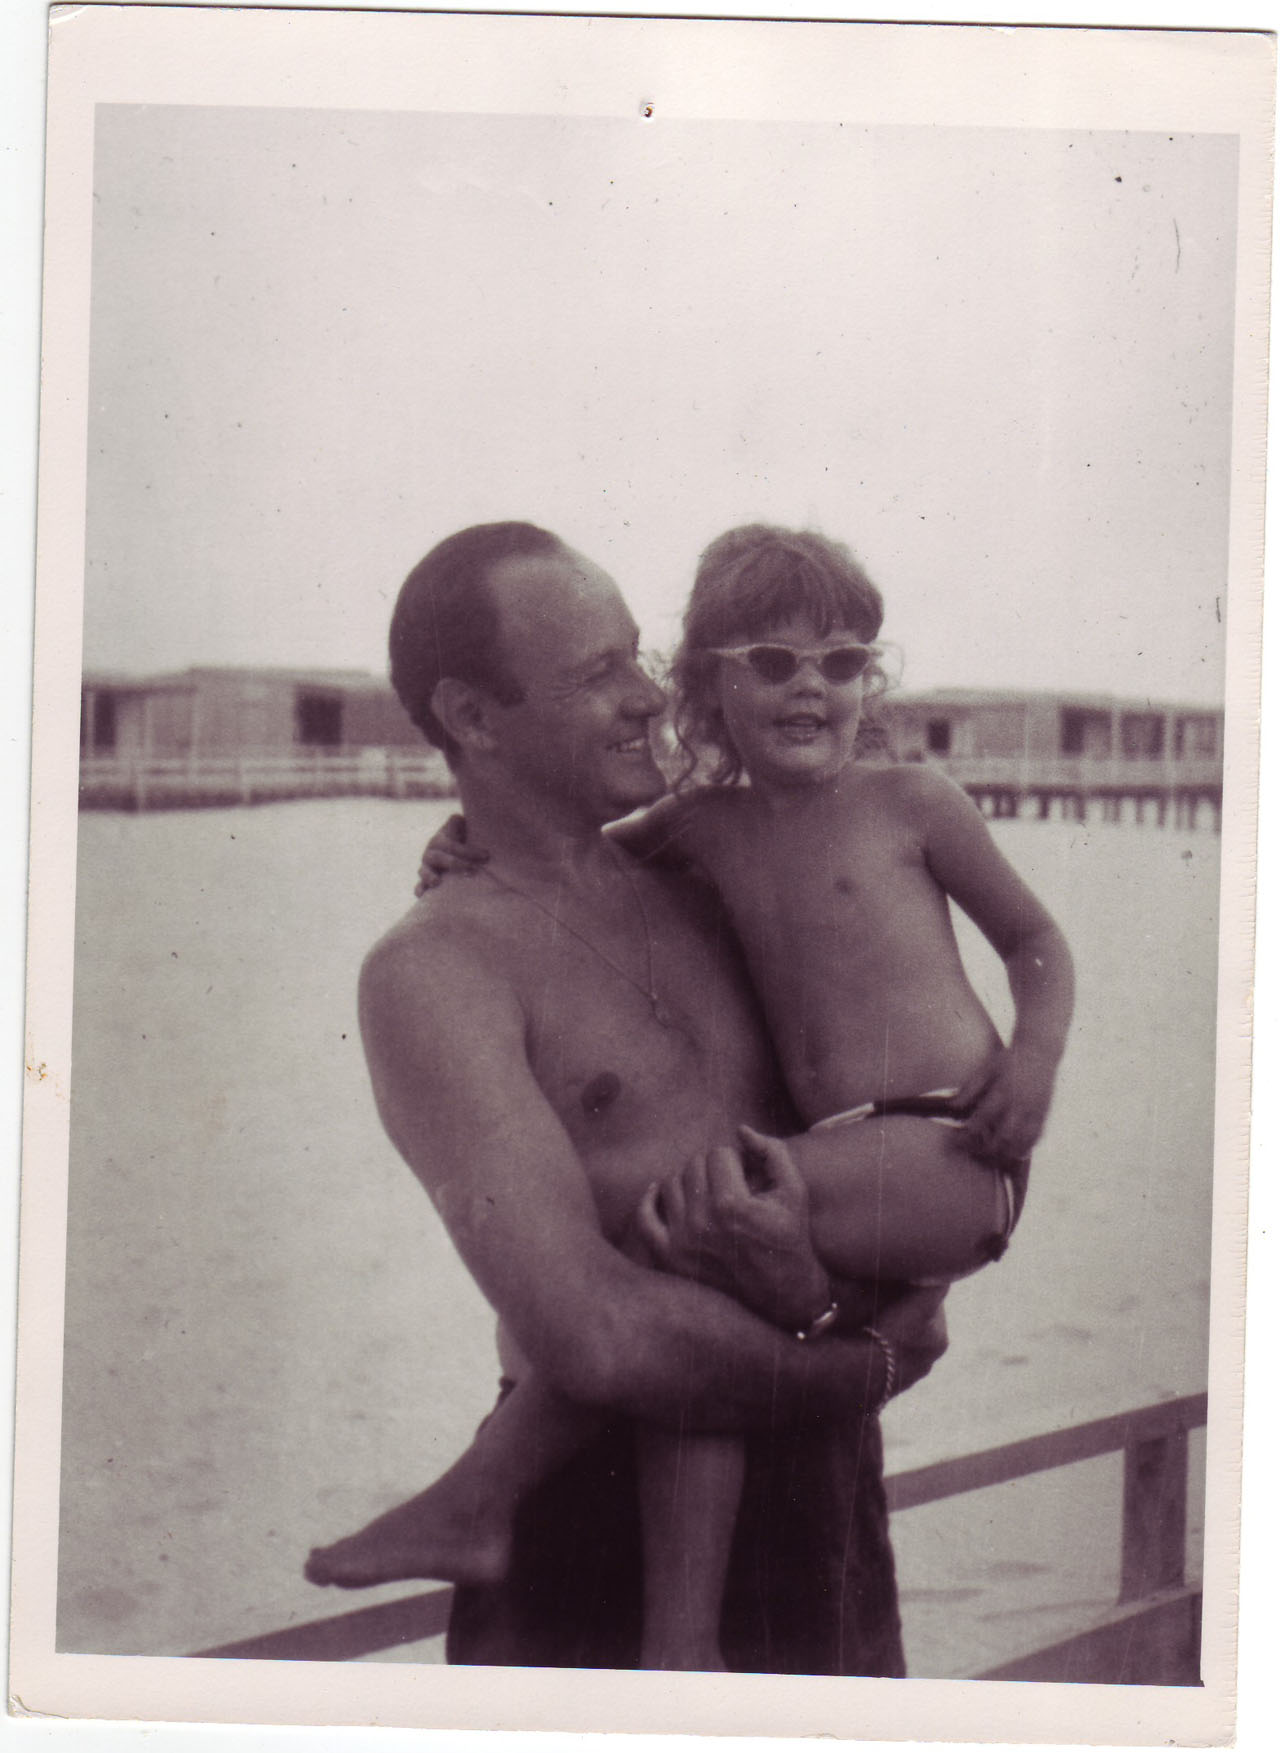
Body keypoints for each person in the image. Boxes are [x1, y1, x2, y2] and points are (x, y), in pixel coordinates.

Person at [357, 522, 1074, 1670]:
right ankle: (486, 1510)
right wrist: (856, 1360)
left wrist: (831, 1317)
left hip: (818, 1497)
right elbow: (594, 1336)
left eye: (637, 656)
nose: (645, 697)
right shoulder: (438, 968)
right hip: (593, 1523)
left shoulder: (711, 888)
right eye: (598, 672)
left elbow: (901, 1269)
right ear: (472, 718)